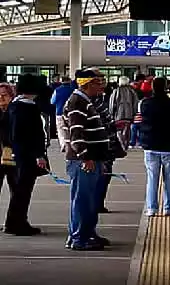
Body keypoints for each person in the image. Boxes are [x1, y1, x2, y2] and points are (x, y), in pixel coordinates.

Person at [63, 68, 110, 251]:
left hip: (92, 159)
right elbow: (76, 133)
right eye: (99, 82)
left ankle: (87, 233)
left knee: (89, 200)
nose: (102, 85)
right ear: (88, 84)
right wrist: (85, 157)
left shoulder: (86, 101)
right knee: (82, 200)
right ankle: (78, 239)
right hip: (83, 161)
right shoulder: (77, 102)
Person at [6, 74, 49, 236]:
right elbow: (29, 135)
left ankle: (14, 222)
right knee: (22, 191)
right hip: (26, 157)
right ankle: (18, 223)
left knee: (19, 191)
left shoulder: (15, 105)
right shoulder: (26, 107)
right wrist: (38, 155)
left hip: (19, 154)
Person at [138, 77, 170, 217]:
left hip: (150, 145)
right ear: (166, 87)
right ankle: (169, 208)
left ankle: (152, 209)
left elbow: (141, 117)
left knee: (152, 178)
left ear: (151, 87)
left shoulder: (143, 103)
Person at [92, 93, 126, 214]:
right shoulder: (89, 103)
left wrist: (114, 126)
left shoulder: (99, 102)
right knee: (101, 177)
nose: (102, 85)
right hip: (100, 149)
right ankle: (96, 204)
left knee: (105, 177)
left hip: (108, 147)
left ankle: (99, 203)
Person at [0, 83, 17, 226]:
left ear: (11, 96)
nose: (1, 97)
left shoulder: (15, 111)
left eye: (4, 94)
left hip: (13, 156)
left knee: (16, 191)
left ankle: (12, 222)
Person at [109, 76, 138, 151]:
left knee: (119, 130)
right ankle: (126, 144)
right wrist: (134, 113)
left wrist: (111, 113)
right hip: (129, 114)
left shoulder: (116, 91)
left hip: (118, 115)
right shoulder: (132, 91)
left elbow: (112, 104)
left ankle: (121, 144)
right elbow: (135, 103)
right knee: (127, 130)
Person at [51, 76, 76, 152]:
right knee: (71, 128)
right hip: (71, 112)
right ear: (69, 81)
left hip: (59, 112)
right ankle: (72, 144)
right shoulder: (73, 90)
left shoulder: (57, 90)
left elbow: (52, 101)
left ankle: (64, 145)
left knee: (61, 129)